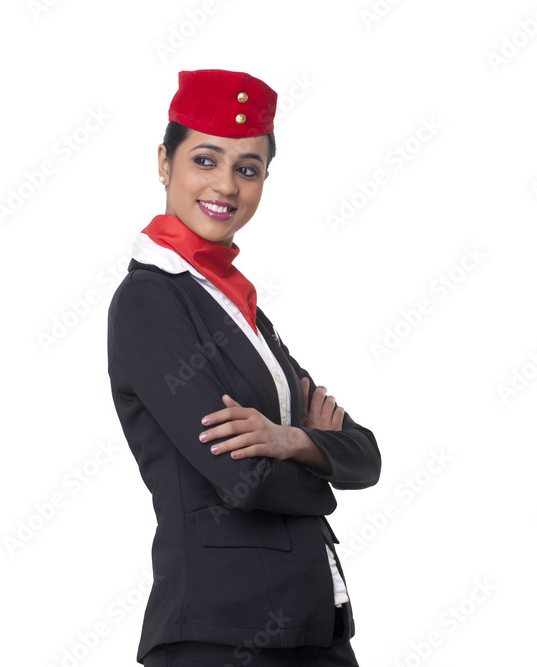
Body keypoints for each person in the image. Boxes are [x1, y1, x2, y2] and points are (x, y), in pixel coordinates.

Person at [106, 69, 382, 666]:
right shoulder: (152, 301)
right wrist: (319, 461)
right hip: (220, 632)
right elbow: (243, 479)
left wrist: (285, 439)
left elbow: (366, 455)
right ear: (164, 162)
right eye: (205, 160)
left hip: (317, 627)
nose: (226, 185)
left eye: (248, 168)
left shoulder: (239, 304)